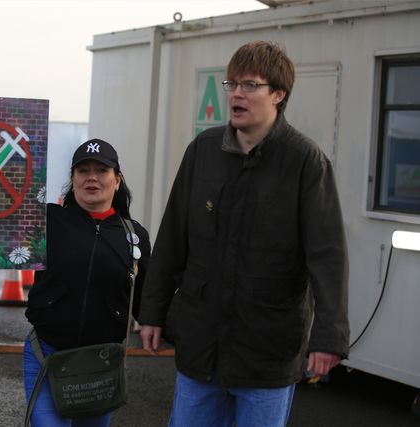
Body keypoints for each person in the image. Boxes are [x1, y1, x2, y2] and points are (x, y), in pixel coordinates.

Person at [138, 40, 349, 427]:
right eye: (232, 84)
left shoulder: (305, 162)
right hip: (201, 347)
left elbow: (327, 256)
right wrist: (151, 312)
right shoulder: (202, 151)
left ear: (279, 95)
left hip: (267, 351)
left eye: (250, 85)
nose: (237, 93)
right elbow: (172, 240)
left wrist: (328, 337)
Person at [0, 138, 151, 427]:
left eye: (102, 170)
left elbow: (148, 298)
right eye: (83, 171)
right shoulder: (44, 220)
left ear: (117, 180)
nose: (92, 177)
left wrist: (177, 330)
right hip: (46, 355)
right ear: (73, 179)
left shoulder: (135, 236)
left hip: (101, 364)